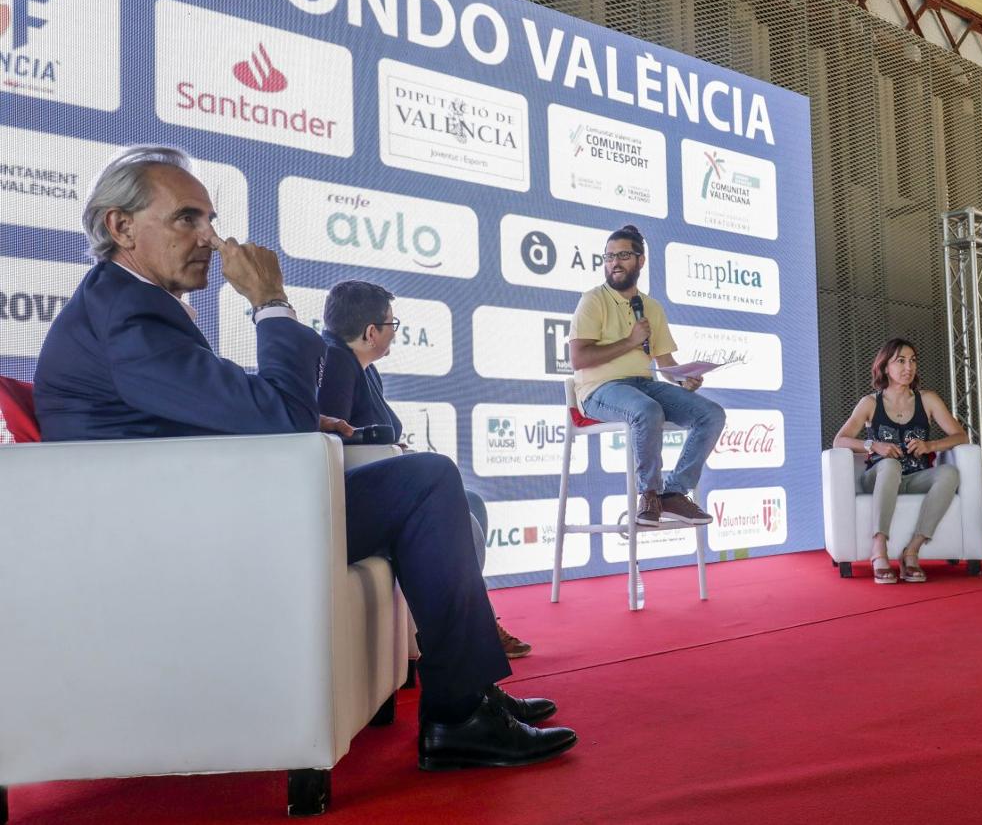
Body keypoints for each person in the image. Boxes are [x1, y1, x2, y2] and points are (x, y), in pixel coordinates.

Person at [33, 145, 576, 770]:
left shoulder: (127, 305)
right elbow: (278, 417)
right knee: (426, 482)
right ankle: (459, 713)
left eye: (210, 219)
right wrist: (270, 302)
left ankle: (470, 698)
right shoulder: (128, 314)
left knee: (426, 483)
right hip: (183, 534)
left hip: (188, 511)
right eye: (187, 218)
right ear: (120, 227)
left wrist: (292, 413)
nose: (209, 238)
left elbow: (209, 411)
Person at [318, 280, 531, 658]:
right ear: (371, 333)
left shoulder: (364, 368)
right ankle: (467, 631)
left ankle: (470, 620)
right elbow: (331, 440)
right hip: (353, 504)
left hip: (381, 487)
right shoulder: (335, 362)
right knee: (458, 514)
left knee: (473, 503)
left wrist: (392, 449)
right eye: (391, 324)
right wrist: (388, 452)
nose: (394, 331)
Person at [569, 224, 725, 526]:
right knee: (647, 411)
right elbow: (578, 359)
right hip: (599, 389)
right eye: (609, 256)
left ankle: (674, 494)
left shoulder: (651, 307)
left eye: (623, 255)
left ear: (640, 260)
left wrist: (683, 379)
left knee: (712, 414)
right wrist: (629, 341)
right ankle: (649, 494)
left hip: (644, 385)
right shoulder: (593, 300)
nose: (615, 262)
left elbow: (665, 363)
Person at [833, 338, 967, 583]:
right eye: (901, 361)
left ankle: (912, 550)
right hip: (878, 476)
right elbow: (839, 440)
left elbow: (961, 436)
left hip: (914, 477)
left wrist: (930, 445)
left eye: (913, 360)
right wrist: (873, 445)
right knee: (891, 464)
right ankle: (879, 547)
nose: (909, 367)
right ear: (885, 367)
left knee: (949, 473)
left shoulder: (927, 399)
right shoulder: (870, 403)